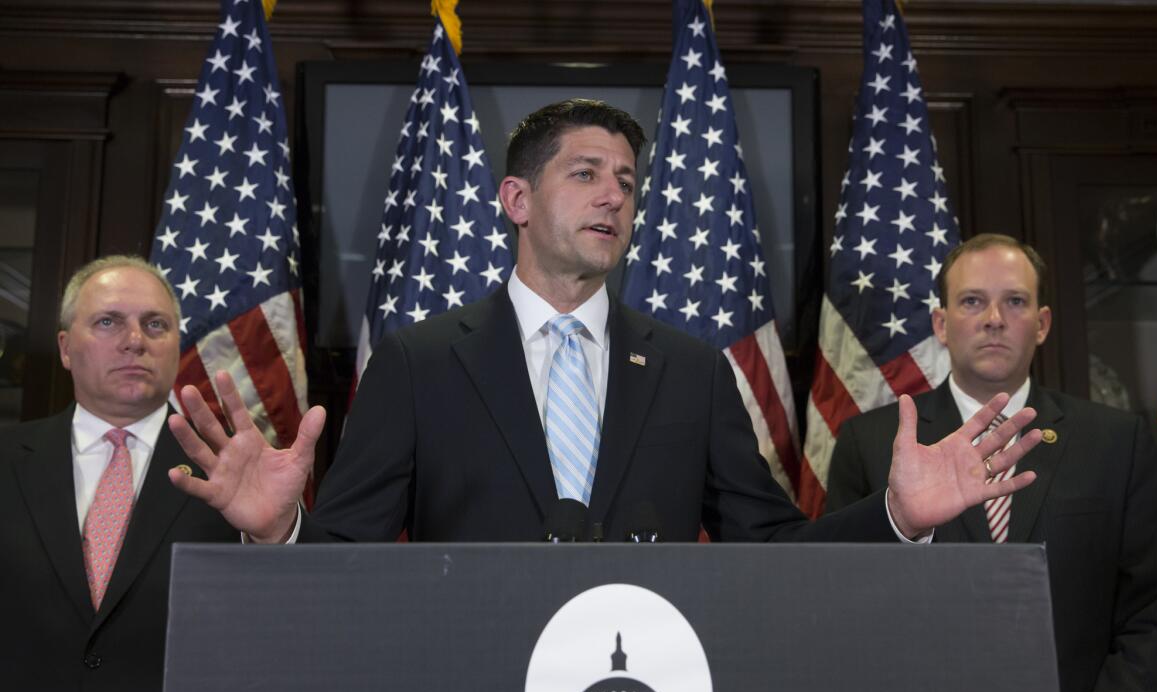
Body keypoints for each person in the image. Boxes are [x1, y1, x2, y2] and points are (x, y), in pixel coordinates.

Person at [167, 99, 1040, 548]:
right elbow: (348, 556)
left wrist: (894, 513)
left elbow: (772, 545)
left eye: (627, 180)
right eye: (586, 173)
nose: (615, 195)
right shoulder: (419, 360)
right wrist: (279, 530)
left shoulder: (693, 371)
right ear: (515, 198)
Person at [825, 233, 1157, 692]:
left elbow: (1156, 620)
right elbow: (842, 610)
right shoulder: (873, 443)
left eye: (1014, 301)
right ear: (941, 324)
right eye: (972, 301)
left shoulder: (1116, 442)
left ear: (1041, 324)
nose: (993, 318)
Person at [0, 256, 239, 692]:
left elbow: (287, 624)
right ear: (65, 348)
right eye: (108, 321)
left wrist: (280, 529)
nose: (135, 340)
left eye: (156, 324)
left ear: (177, 343)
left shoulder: (233, 471)